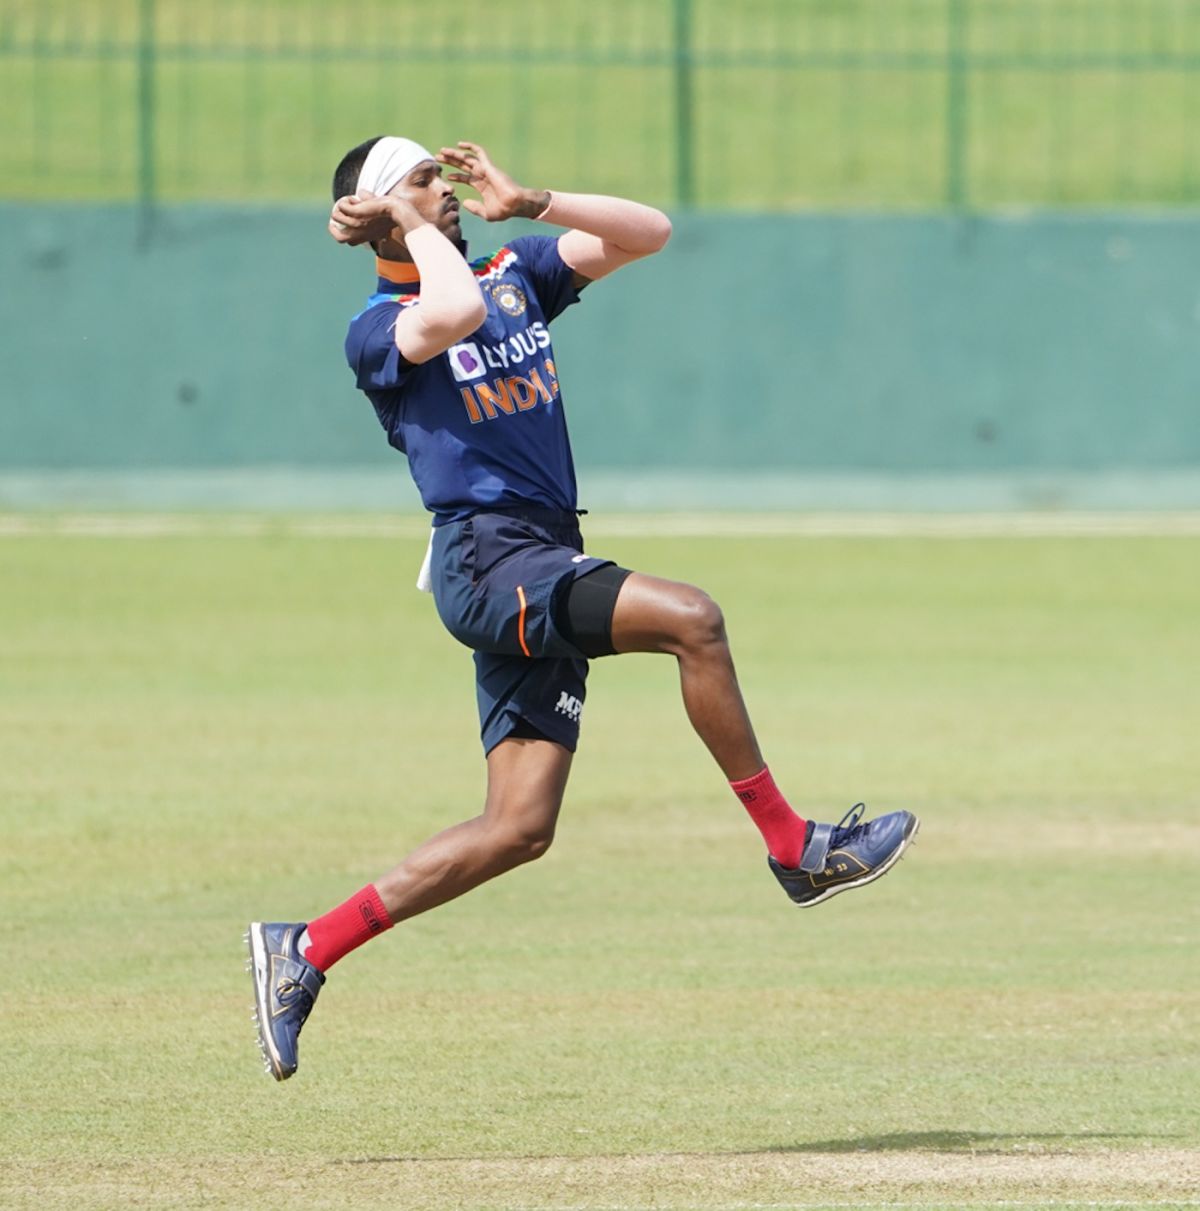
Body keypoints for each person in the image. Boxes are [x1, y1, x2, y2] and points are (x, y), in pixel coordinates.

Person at [246, 136, 919, 1081]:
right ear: (380, 216)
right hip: (489, 562)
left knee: (518, 827)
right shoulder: (379, 326)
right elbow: (454, 308)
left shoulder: (509, 271)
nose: (443, 189)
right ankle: (792, 843)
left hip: (539, 554)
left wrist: (531, 201)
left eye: (439, 178)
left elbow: (649, 233)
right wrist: (405, 221)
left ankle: (305, 948)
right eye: (420, 182)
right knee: (694, 617)